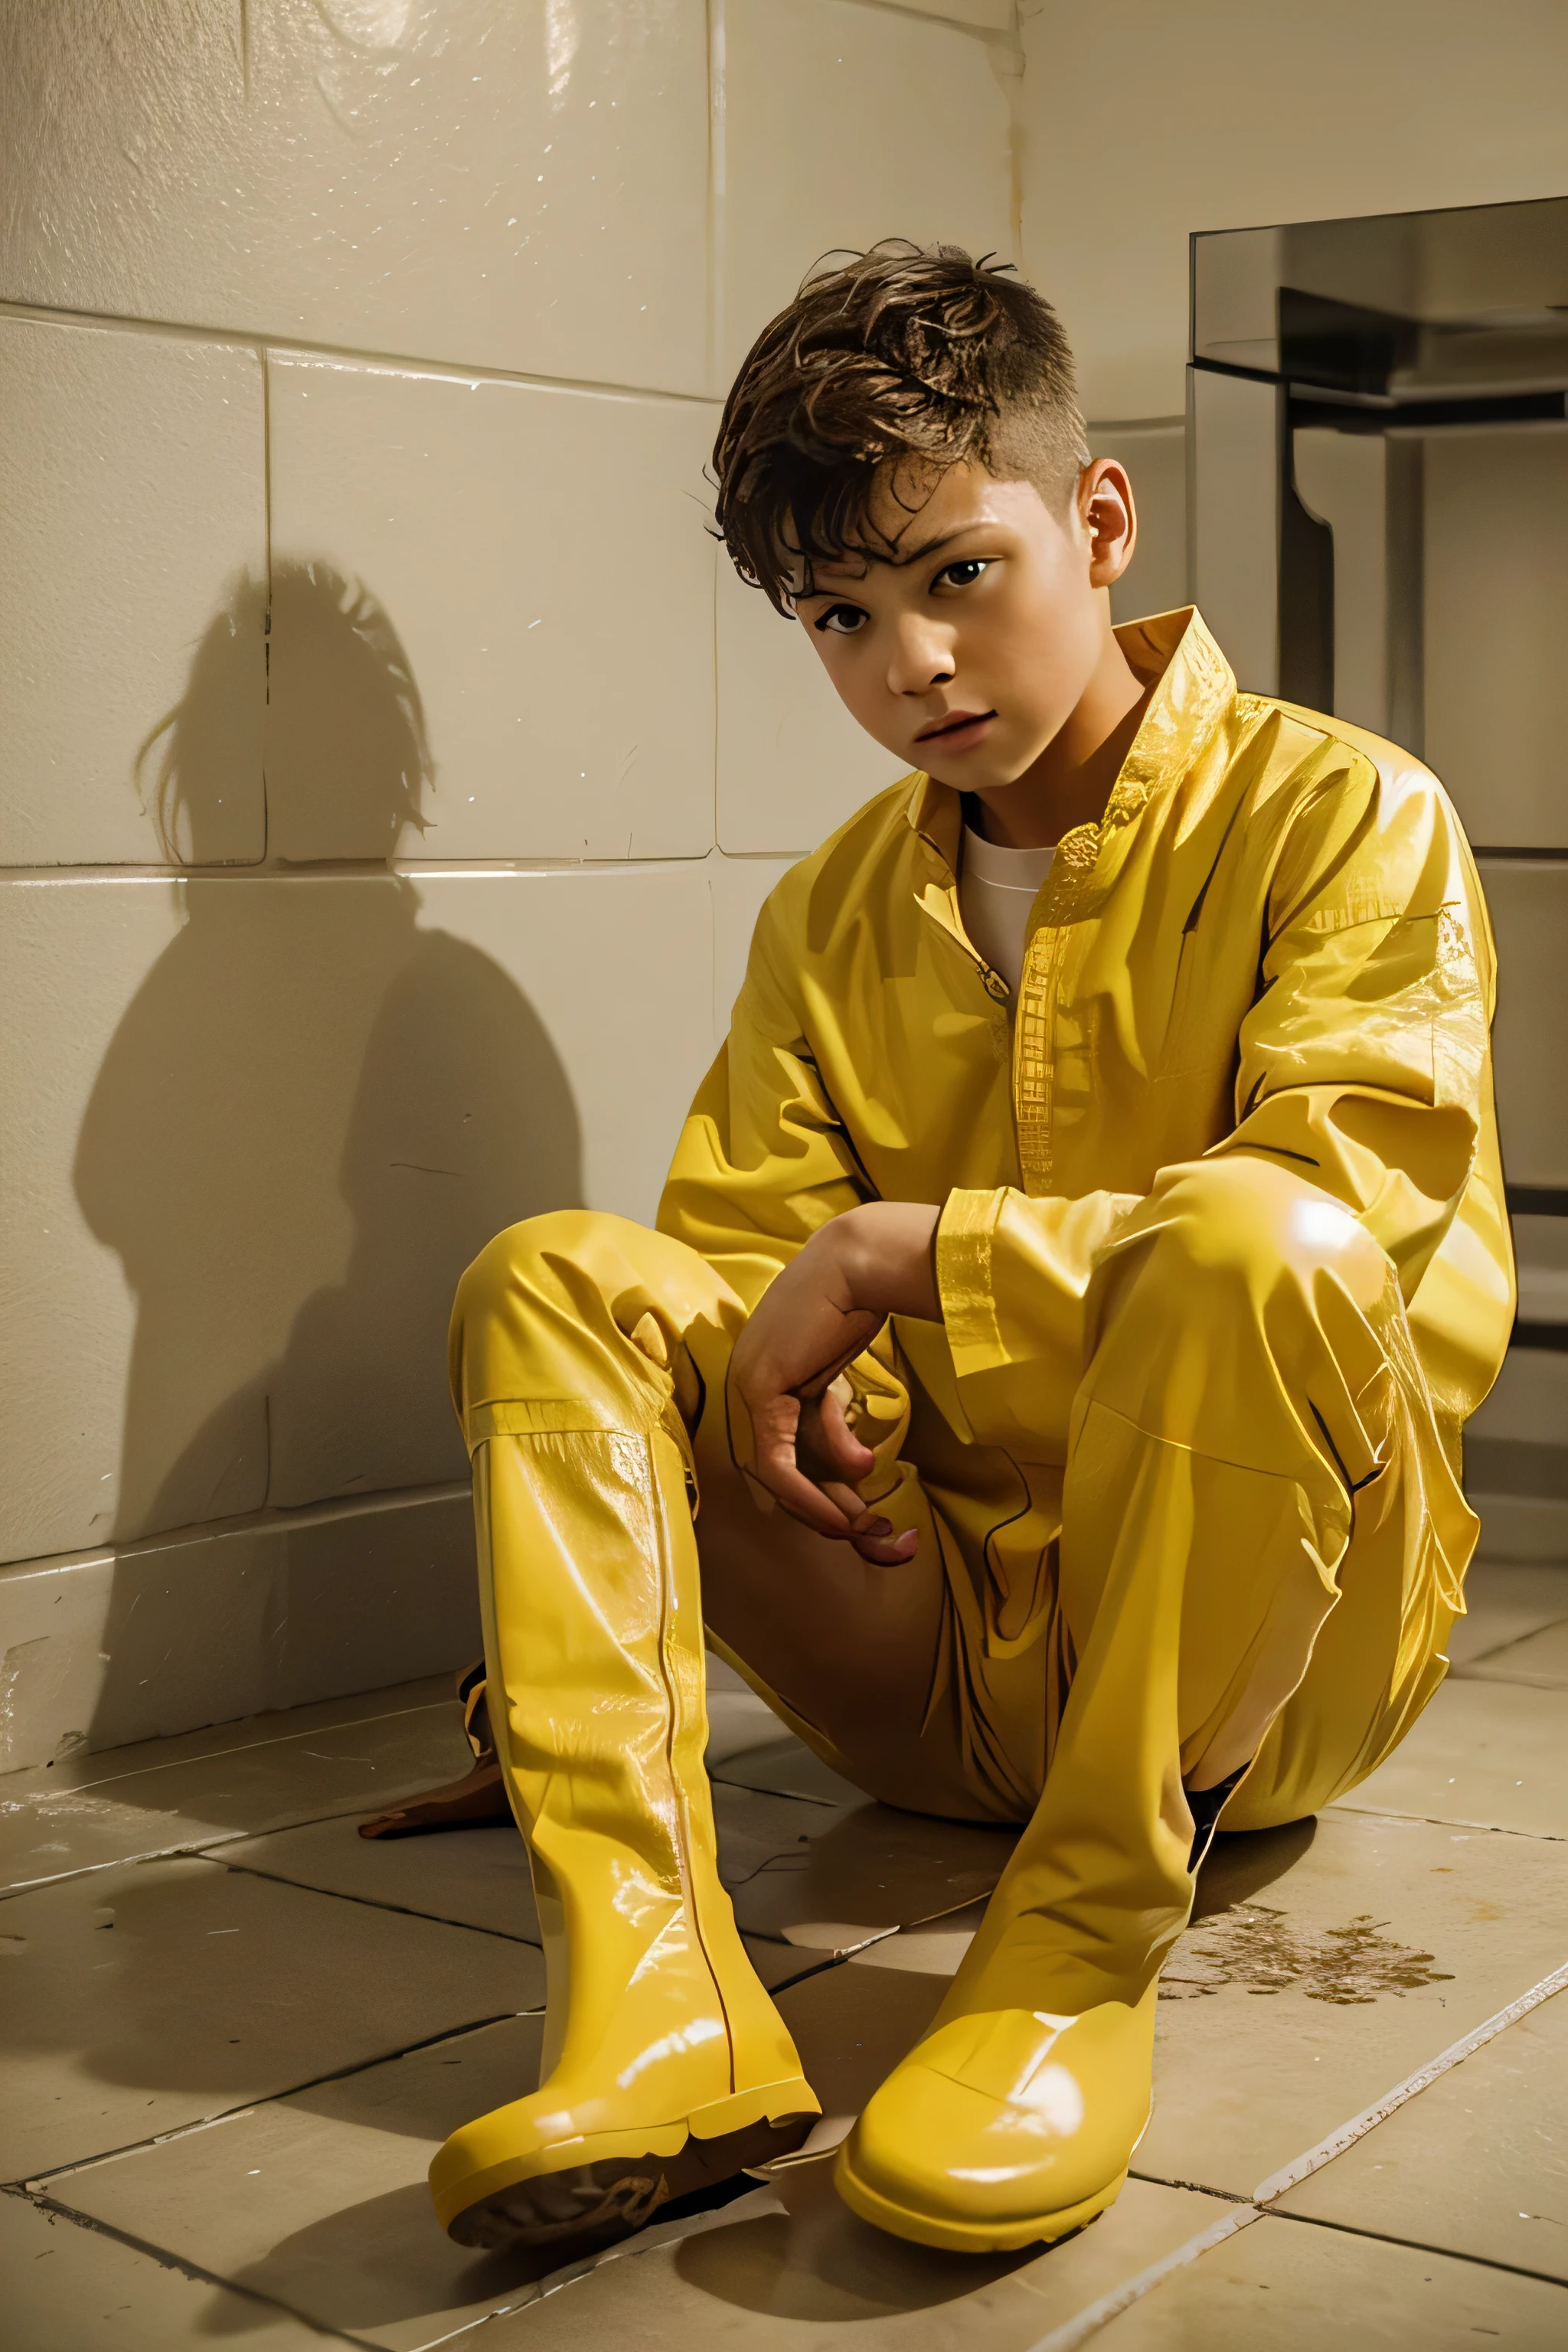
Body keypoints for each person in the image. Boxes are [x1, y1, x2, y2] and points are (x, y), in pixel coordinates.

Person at [420, 243, 1514, 2258]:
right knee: (553, 1272)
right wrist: (748, 1409)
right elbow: (746, 1306)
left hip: (1262, 1675)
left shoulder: (1345, 816)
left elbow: (1348, 1215)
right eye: (840, 616)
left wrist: (922, 1255)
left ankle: (1078, 1948)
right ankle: (657, 1998)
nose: (905, 663)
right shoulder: (833, 914)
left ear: (1097, 521)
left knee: (1262, 1231)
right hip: (923, 1647)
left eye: (953, 575)